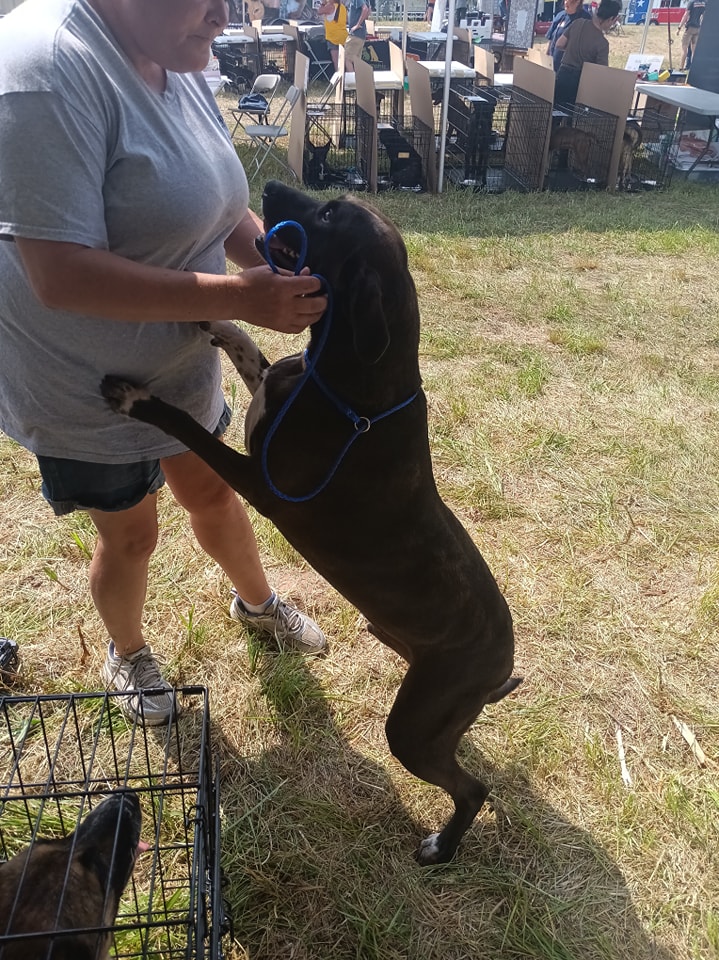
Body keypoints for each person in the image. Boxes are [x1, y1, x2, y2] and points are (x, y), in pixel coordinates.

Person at [0, 0, 330, 727]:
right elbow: (60, 276)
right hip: (84, 381)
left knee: (214, 494)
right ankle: (127, 650)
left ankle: (258, 604)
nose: (225, 18)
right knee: (132, 533)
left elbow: (212, 203)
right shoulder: (45, 67)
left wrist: (272, 266)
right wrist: (242, 300)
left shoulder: (170, 48)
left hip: (182, 355)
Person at [553, 0, 622, 105]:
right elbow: (601, 72)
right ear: (611, 19)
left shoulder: (578, 22)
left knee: (556, 112)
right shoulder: (602, 43)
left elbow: (559, 44)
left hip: (562, 74)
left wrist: (572, 48)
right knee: (573, 116)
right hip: (579, 82)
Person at [546, 0, 592, 71]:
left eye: (569, 0)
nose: (566, 2)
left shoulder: (585, 19)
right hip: (553, 65)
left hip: (571, 69)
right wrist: (546, 56)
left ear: (578, 2)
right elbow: (550, 39)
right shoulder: (560, 15)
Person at [317, 0, 349, 71]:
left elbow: (319, 11)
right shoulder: (343, 7)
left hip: (333, 37)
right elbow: (346, 20)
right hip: (343, 36)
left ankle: (339, 78)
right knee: (345, 60)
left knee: (337, 62)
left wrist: (323, 3)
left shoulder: (330, 6)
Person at [678, 0, 706, 70]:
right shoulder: (703, 3)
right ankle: (693, 68)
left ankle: (681, 67)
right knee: (694, 50)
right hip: (697, 28)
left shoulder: (691, 3)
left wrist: (679, 27)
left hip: (689, 28)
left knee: (684, 50)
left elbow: (685, 15)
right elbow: (703, 16)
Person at [345, 0, 371, 71]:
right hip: (360, 35)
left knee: (347, 59)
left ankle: (352, 81)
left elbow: (365, 9)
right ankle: (358, 80)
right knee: (356, 61)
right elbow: (369, 11)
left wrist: (357, 24)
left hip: (355, 34)